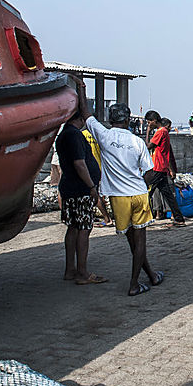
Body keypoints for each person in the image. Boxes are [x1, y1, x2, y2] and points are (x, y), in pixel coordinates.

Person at [83, 95, 164, 297]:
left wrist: (81, 88)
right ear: (128, 120)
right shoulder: (137, 142)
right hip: (138, 193)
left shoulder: (103, 135)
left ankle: (150, 276)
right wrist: (142, 185)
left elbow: (86, 114)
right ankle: (136, 283)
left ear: (111, 120)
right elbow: (150, 172)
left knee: (132, 242)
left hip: (118, 198)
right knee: (140, 242)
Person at [55, 107, 107, 286]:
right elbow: (80, 164)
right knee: (84, 228)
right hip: (80, 189)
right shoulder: (75, 135)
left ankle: (70, 269)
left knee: (73, 228)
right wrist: (91, 186)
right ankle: (82, 273)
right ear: (80, 118)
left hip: (69, 188)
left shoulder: (64, 135)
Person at [144, 110, 186, 225]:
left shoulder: (160, 132)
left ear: (154, 121)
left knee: (145, 190)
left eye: (149, 122)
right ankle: (178, 218)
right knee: (167, 194)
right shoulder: (164, 132)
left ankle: (141, 217)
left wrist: (147, 132)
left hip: (157, 167)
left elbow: (148, 146)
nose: (148, 124)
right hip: (161, 167)